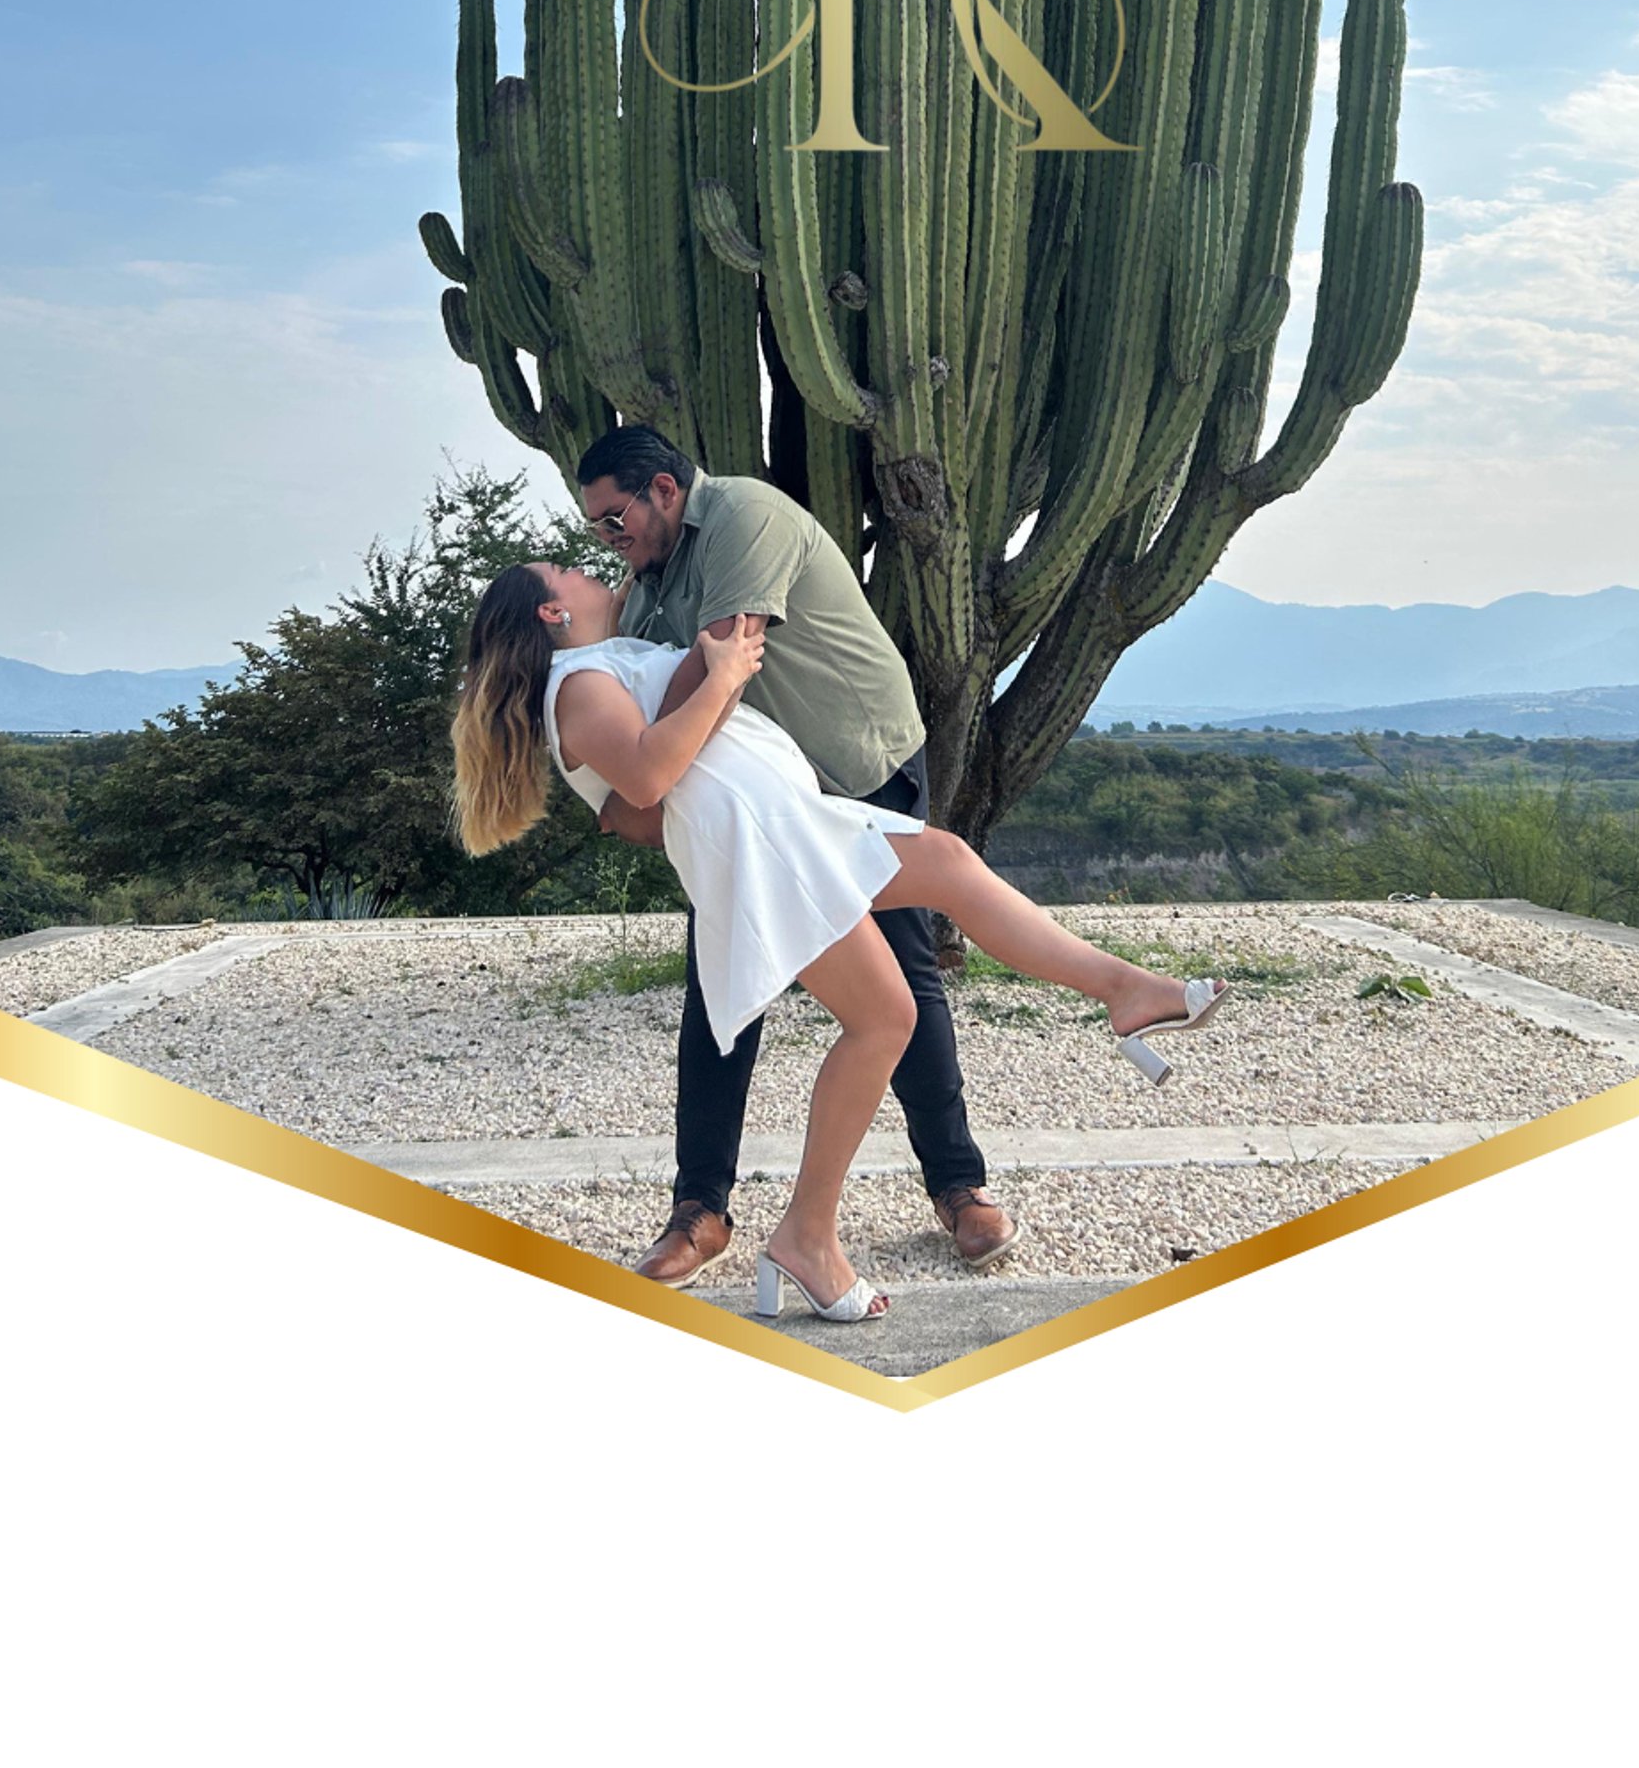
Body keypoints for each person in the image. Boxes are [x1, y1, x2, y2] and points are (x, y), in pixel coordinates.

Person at [450, 561, 1226, 1328]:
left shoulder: (602, 664)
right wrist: (723, 675)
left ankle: (1124, 991)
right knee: (886, 1017)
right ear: (552, 613)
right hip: (762, 844)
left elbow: (643, 777)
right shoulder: (576, 687)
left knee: (950, 865)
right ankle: (808, 1236)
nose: (590, 569)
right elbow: (650, 777)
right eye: (567, 571)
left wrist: (716, 658)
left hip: (790, 820)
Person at [574, 426, 1014, 1289]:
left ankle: (959, 1186)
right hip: (760, 804)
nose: (607, 539)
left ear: (665, 489)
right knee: (721, 981)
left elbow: (713, 671)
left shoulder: (744, 516)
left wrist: (638, 773)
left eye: (613, 518)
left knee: (904, 967)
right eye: (595, 530)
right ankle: (699, 1211)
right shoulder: (648, 582)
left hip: (857, 763)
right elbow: (651, 694)